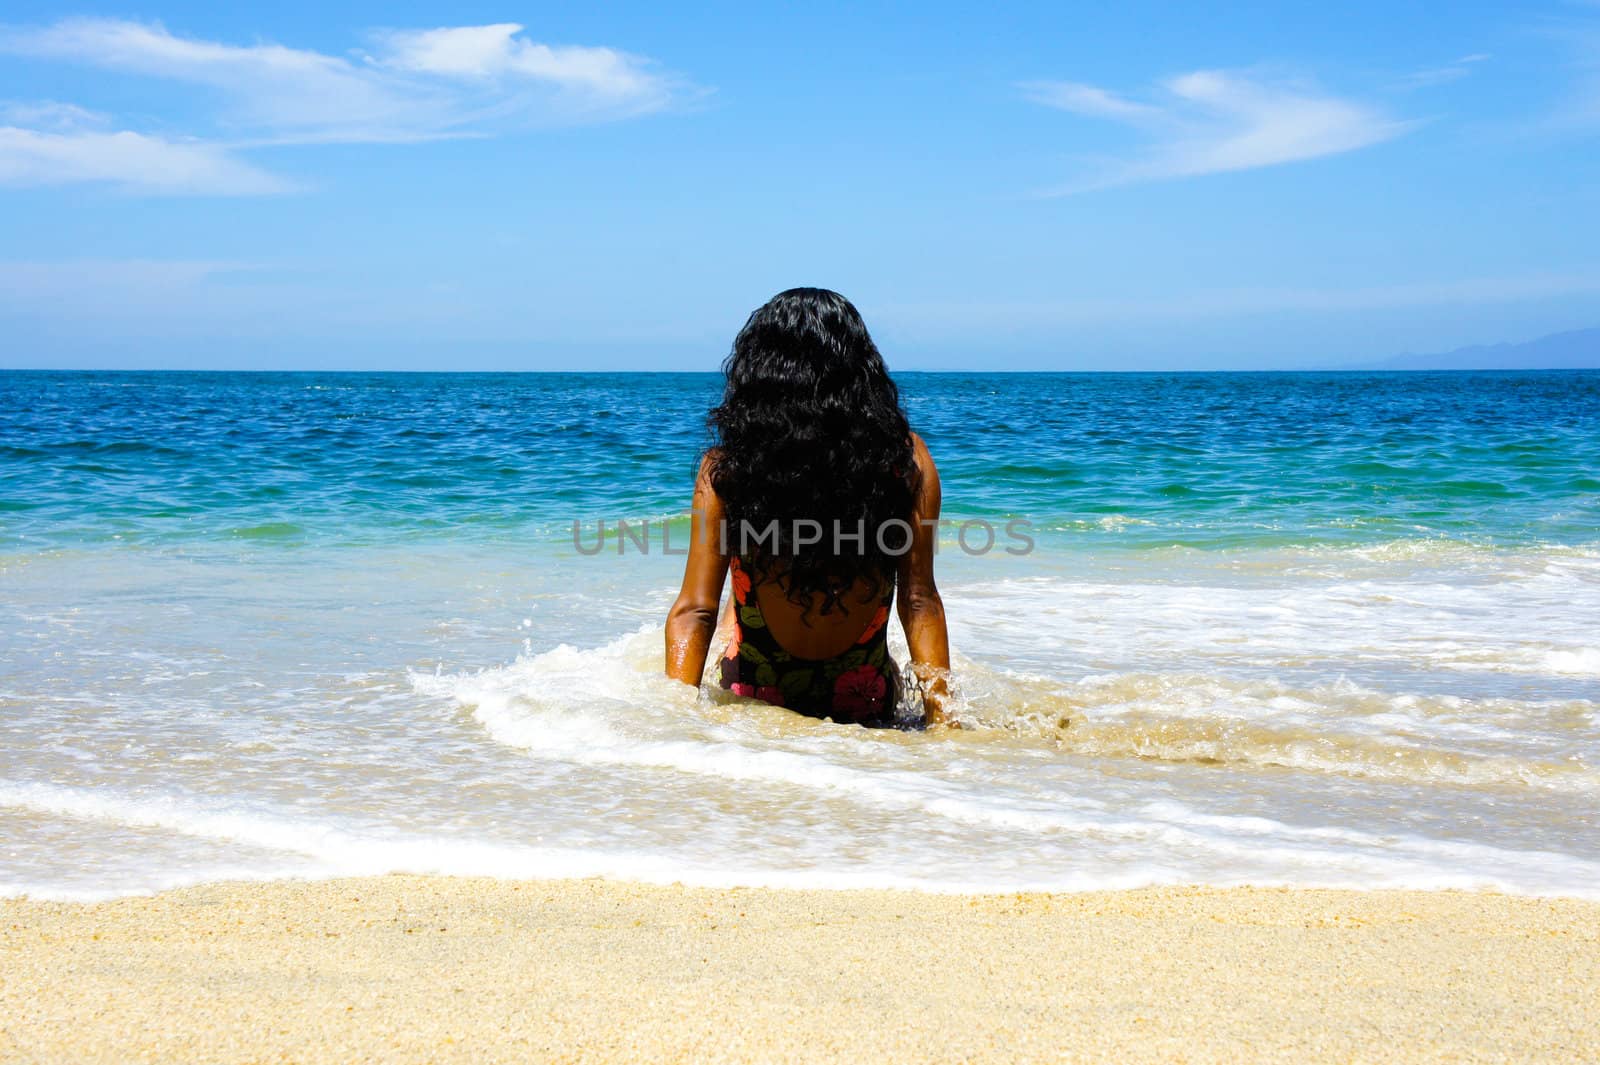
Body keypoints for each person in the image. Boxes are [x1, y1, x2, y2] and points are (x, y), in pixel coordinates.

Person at [664, 288, 952, 728]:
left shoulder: (728, 471)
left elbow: (693, 611)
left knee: (732, 603)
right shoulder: (905, 464)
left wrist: (673, 725)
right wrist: (944, 726)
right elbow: (919, 602)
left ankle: (742, 602)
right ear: (862, 372)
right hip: (865, 704)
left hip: (753, 702)